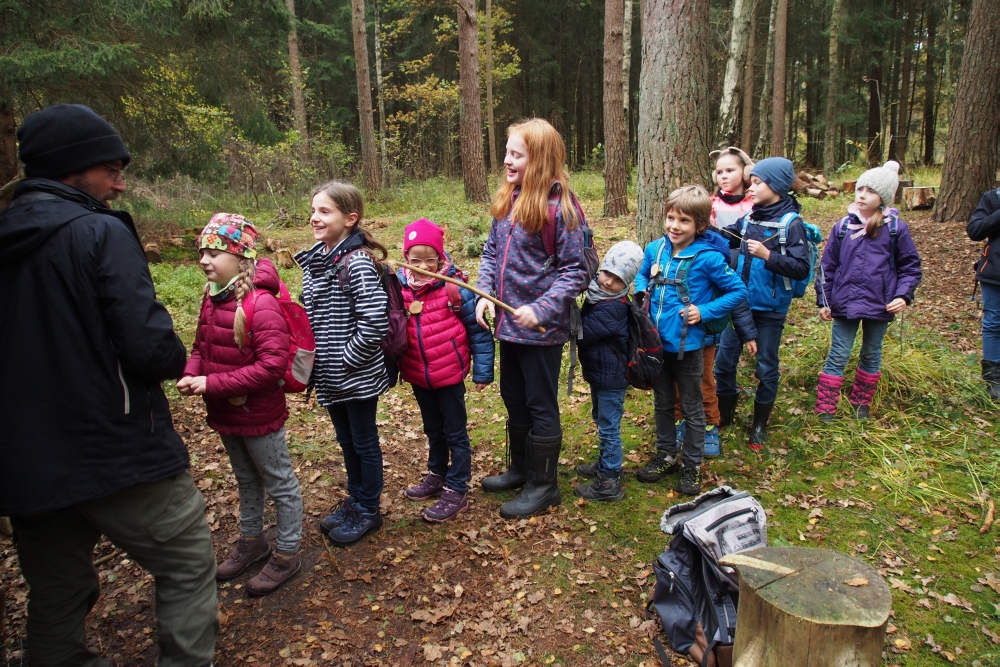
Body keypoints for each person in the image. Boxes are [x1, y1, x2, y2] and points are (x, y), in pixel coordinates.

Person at [0, 104, 216, 667]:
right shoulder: (97, 231)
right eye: (110, 169)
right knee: (188, 560)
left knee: (56, 586)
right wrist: (177, 355)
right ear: (71, 167)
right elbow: (147, 345)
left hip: (26, 459)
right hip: (114, 445)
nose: (120, 183)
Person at [178, 214, 304, 595]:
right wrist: (191, 372)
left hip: (258, 415)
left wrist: (210, 382)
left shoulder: (259, 303)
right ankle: (253, 540)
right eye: (202, 251)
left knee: (279, 482)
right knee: (246, 479)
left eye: (214, 251)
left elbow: (271, 366)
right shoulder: (211, 296)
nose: (204, 259)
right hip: (225, 411)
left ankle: (287, 551)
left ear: (240, 257)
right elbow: (202, 346)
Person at [475, 118, 591, 519]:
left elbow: (576, 271)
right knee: (513, 396)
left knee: (541, 403)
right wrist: (486, 292)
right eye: (507, 152)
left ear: (539, 159)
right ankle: (522, 469)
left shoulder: (562, 209)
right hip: (509, 325)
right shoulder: (509, 198)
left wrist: (540, 308)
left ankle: (545, 486)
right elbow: (491, 252)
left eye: (516, 154)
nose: (507, 161)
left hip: (541, 330)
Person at [634, 186, 748, 495]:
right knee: (662, 403)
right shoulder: (654, 249)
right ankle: (666, 454)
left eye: (683, 221)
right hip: (656, 344)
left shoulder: (708, 258)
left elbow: (738, 291)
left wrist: (705, 311)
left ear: (699, 225)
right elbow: (642, 275)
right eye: (670, 218)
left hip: (689, 346)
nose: (674, 226)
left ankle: (692, 465)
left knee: (692, 405)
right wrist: (642, 290)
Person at [295, 181, 389, 546]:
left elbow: (375, 321)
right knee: (346, 440)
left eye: (325, 211)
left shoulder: (358, 262)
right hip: (330, 376)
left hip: (356, 376)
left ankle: (369, 510)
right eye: (314, 211)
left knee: (363, 441)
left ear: (350, 219)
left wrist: (346, 360)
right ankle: (355, 499)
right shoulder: (318, 258)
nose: (315, 218)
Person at [397, 218, 495, 521]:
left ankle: (457, 487)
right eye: (416, 260)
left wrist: (483, 372)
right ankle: (437, 473)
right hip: (418, 374)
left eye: (430, 260)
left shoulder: (455, 288)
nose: (423, 266)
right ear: (405, 259)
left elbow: (479, 332)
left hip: (449, 374)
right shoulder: (400, 288)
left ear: (441, 258)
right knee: (433, 429)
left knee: (455, 432)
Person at [714, 157, 812, 450]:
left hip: (770, 309)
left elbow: (801, 268)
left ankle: (759, 425)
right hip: (738, 303)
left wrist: (769, 257)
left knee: (766, 366)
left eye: (757, 182)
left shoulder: (790, 223)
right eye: (751, 182)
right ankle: (725, 415)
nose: (751, 187)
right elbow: (727, 237)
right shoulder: (750, 218)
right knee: (723, 364)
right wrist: (701, 231)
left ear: (777, 185)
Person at [815, 161, 922, 420]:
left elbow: (910, 267)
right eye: (860, 188)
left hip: (880, 304)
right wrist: (824, 301)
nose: (861, 194)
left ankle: (860, 405)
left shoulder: (895, 229)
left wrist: (902, 295)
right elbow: (827, 267)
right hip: (844, 303)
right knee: (838, 354)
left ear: (883, 198)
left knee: (871, 353)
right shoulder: (843, 228)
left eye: (870, 191)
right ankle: (825, 409)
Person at [573, 241, 645, 501]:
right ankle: (605, 464)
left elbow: (584, 334)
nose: (607, 281)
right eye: (606, 273)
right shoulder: (601, 296)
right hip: (601, 374)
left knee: (608, 427)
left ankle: (609, 481)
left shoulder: (613, 307)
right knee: (602, 420)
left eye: (617, 279)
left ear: (625, 283)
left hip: (611, 378)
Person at [967, 186, 1000, 399]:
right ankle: (994, 379)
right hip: (994, 273)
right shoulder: (993, 198)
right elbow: (975, 230)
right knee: (993, 323)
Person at [709, 146, 755, 228]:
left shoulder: (755, 201)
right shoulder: (712, 203)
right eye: (719, 172)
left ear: (745, 172)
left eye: (729, 170)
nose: (723, 176)